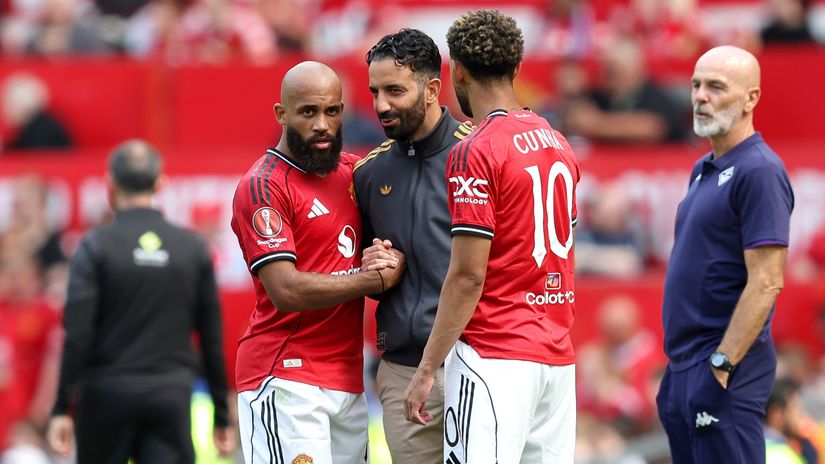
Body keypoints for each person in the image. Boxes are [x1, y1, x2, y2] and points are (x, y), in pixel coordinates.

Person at [403, 10, 581, 463]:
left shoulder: (475, 149)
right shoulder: (558, 141)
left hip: (494, 353)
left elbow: (466, 277)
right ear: (517, 68)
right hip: (556, 359)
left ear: (456, 70)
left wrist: (427, 368)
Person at [229, 61, 406, 464]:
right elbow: (286, 290)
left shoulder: (353, 173)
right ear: (282, 114)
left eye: (332, 111)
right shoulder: (263, 186)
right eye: (308, 112)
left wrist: (389, 257)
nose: (323, 125)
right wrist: (371, 280)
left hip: (347, 379)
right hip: (286, 374)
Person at [46, 140, 235, 463]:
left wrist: (63, 407)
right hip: (169, 396)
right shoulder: (191, 248)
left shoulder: (93, 246)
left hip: (104, 396)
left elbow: (77, 334)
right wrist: (222, 414)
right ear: (160, 183)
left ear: (110, 184)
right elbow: (212, 339)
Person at [656, 46, 795, 464]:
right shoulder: (704, 169)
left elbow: (767, 280)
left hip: (722, 368)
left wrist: (721, 364)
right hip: (684, 367)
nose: (700, 96)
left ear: (751, 98)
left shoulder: (760, 171)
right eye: (696, 85)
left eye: (716, 87)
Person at [353, 28, 472, 464]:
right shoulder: (368, 173)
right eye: (375, 91)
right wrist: (373, 270)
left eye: (395, 91)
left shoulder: (478, 153)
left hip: (473, 366)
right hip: (402, 374)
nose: (381, 104)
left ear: (432, 89)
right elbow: (364, 279)